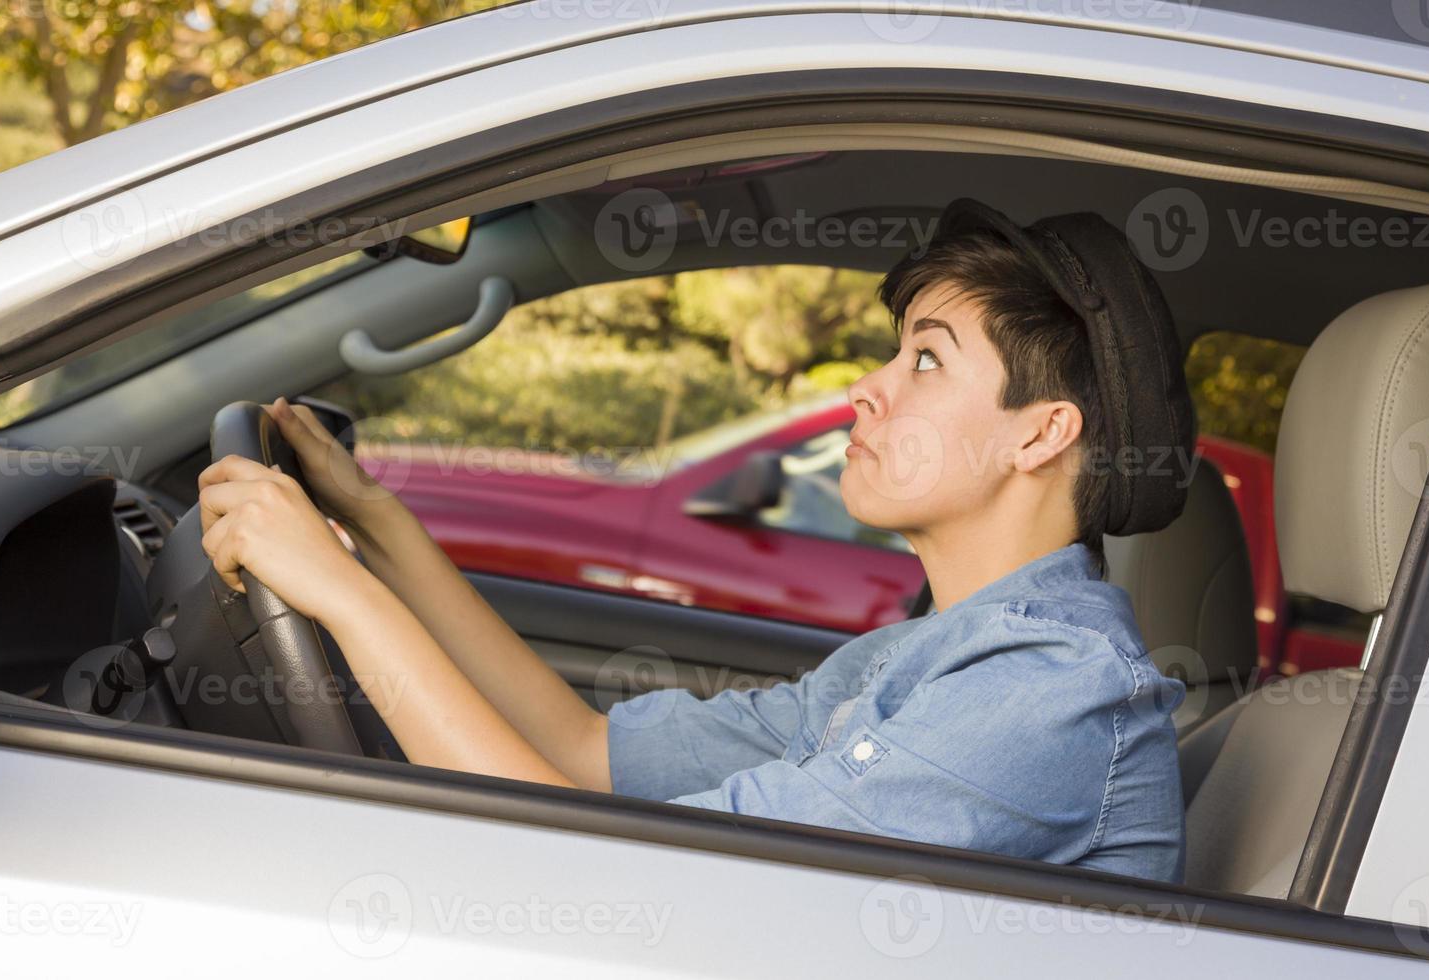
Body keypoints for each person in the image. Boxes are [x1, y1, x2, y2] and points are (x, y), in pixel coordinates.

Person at [195, 198, 1196, 883]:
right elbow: (585, 756)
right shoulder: (924, 654)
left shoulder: (1052, 692)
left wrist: (341, 593)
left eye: (926, 360)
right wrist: (373, 522)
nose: (869, 388)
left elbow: (595, 862)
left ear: (1042, 430)